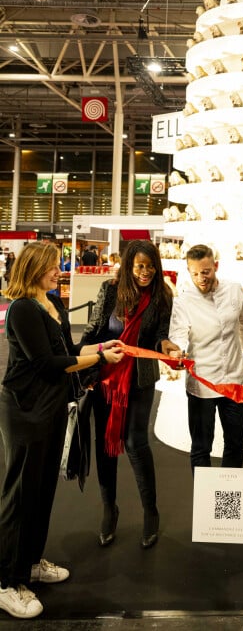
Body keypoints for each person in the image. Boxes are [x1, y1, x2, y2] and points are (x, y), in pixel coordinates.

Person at [0, 242, 124, 619]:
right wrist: (100, 357)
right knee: (20, 494)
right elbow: (47, 363)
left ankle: (31, 562)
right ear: (35, 267)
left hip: (51, 408)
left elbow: (70, 349)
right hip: (25, 410)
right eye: (53, 266)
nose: (59, 270)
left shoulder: (53, 303)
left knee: (42, 490)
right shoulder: (22, 309)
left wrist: (101, 345)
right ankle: (7, 581)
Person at [80, 240, 175, 550]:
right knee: (105, 445)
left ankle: (151, 511)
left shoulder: (162, 297)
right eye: (139, 266)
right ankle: (110, 509)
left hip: (140, 379)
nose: (145, 272)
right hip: (104, 379)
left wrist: (166, 346)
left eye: (150, 266)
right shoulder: (110, 291)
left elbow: (160, 334)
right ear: (128, 266)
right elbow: (94, 330)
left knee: (136, 442)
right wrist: (87, 356)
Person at [168, 244, 243, 476]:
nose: (200, 278)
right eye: (194, 273)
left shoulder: (235, 290)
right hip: (201, 385)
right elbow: (178, 335)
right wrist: (177, 352)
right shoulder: (183, 301)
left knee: (236, 444)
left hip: (234, 380)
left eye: (205, 272)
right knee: (201, 448)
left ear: (215, 266)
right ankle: (205, 508)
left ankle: (227, 501)